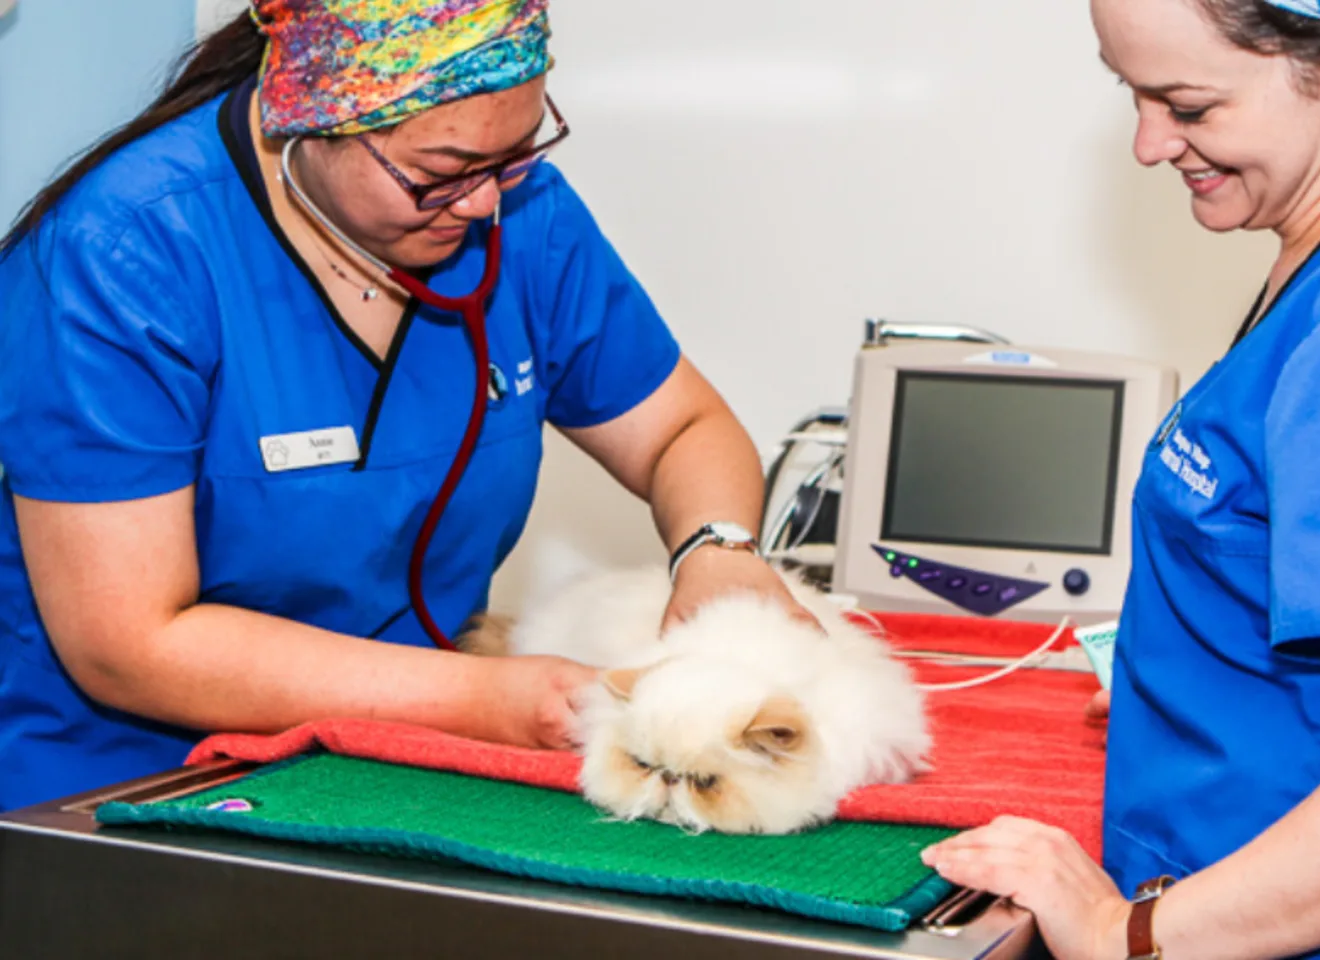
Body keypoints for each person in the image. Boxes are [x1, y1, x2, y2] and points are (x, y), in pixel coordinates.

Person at [0, 0, 806, 814]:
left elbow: (681, 428)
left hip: (402, 772)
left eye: (517, 154)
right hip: (128, 788)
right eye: (442, 172)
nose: (484, 203)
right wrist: (488, 701)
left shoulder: (526, 217)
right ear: (308, 120)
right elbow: (130, 643)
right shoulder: (124, 252)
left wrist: (719, 548)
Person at [922, 1, 1320, 958]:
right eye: (1130, 91)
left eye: (1189, 105)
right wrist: (1192, 672)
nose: (1148, 143)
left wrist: (1118, 935)